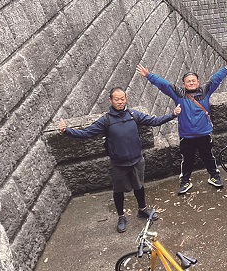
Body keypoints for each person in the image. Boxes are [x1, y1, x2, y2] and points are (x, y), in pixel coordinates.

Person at [58, 88, 181, 233]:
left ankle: (142, 209)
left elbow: (154, 121)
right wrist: (67, 130)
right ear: (110, 100)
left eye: (122, 98)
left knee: (139, 186)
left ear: (126, 99)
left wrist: (172, 115)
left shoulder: (133, 115)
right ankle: (121, 216)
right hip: (118, 163)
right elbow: (86, 133)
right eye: (117, 99)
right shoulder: (106, 120)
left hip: (136, 160)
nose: (120, 101)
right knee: (118, 192)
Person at [136, 55, 227, 195]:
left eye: (193, 81)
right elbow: (164, 84)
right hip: (187, 135)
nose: (191, 83)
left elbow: (216, 79)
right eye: (188, 81)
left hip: (204, 133)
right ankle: (185, 182)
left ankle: (215, 177)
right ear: (184, 84)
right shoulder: (178, 93)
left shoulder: (205, 90)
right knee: (187, 160)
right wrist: (149, 76)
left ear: (198, 82)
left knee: (208, 157)